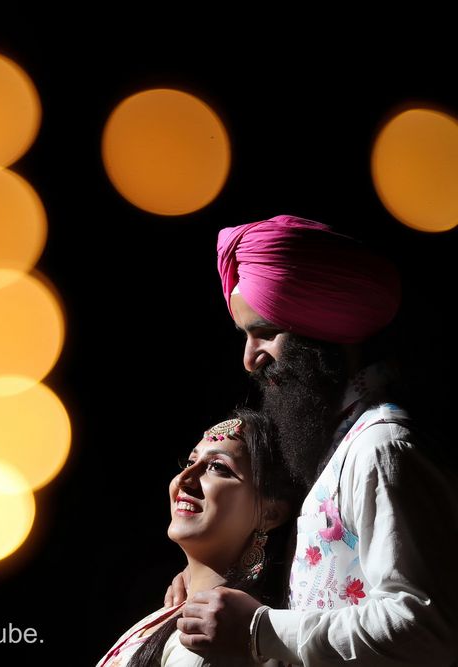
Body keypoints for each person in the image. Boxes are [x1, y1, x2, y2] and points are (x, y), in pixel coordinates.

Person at [168, 214, 458, 665]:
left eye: (265, 333)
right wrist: (207, 581)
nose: (250, 359)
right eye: (246, 336)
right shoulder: (338, 448)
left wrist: (259, 629)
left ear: (319, 332)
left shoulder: (382, 447)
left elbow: (426, 625)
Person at [96, 408, 303, 667]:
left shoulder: (213, 639)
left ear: (270, 513)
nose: (184, 479)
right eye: (189, 462)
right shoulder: (188, 616)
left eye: (217, 467)